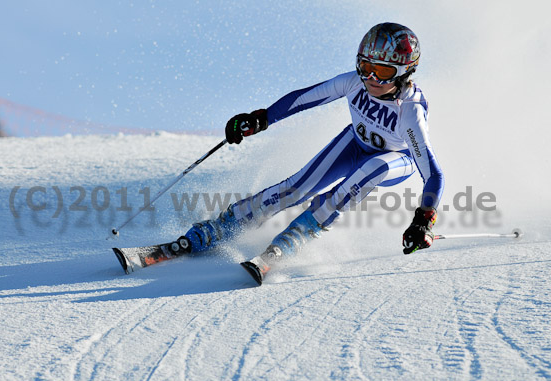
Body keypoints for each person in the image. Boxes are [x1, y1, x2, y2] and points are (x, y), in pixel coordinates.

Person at [173, 22, 444, 265]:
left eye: (382, 71)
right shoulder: (354, 83)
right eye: (366, 67)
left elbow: (433, 174)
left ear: (404, 72)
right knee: (296, 187)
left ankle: (296, 237)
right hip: (356, 144)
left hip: (395, 159)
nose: (371, 79)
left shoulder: (410, 111)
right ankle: (224, 226)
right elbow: (304, 98)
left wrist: (423, 220)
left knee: (370, 170)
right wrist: (260, 119)